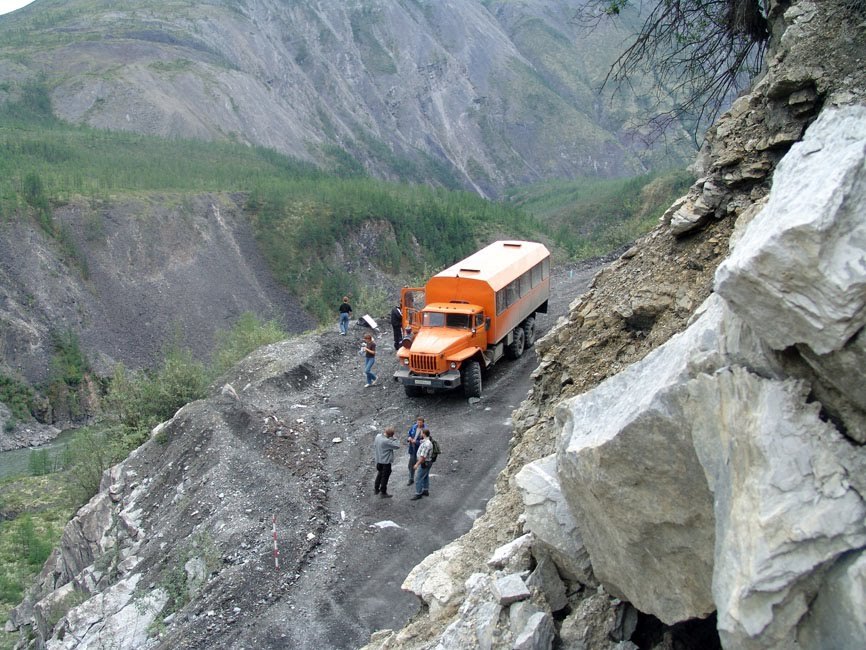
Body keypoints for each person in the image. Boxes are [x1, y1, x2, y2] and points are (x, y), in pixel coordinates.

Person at [373, 426, 401, 498]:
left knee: (379, 474)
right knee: (385, 477)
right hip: (385, 463)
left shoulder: (378, 436)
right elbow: (397, 446)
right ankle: (383, 492)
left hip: (378, 461)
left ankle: (376, 489)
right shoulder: (386, 441)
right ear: (390, 435)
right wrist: (395, 438)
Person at [411, 428, 433, 500]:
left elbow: (423, 457)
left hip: (425, 463)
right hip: (427, 462)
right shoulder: (426, 442)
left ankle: (418, 493)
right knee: (425, 476)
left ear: (423, 434)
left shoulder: (426, 444)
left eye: (421, 433)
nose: (420, 434)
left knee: (418, 478)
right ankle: (425, 490)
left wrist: (417, 464)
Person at [406, 416, 424, 485]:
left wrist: (415, 442)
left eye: (420, 423)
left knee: (422, 465)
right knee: (411, 465)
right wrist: (409, 438)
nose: (419, 424)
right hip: (412, 449)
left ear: (423, 423)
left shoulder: (425, 429)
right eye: (418, 422)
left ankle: (422, 480)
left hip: (420, 451)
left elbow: (425, 441)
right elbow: (409, 433)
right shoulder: (414, 426)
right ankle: (411, 479)